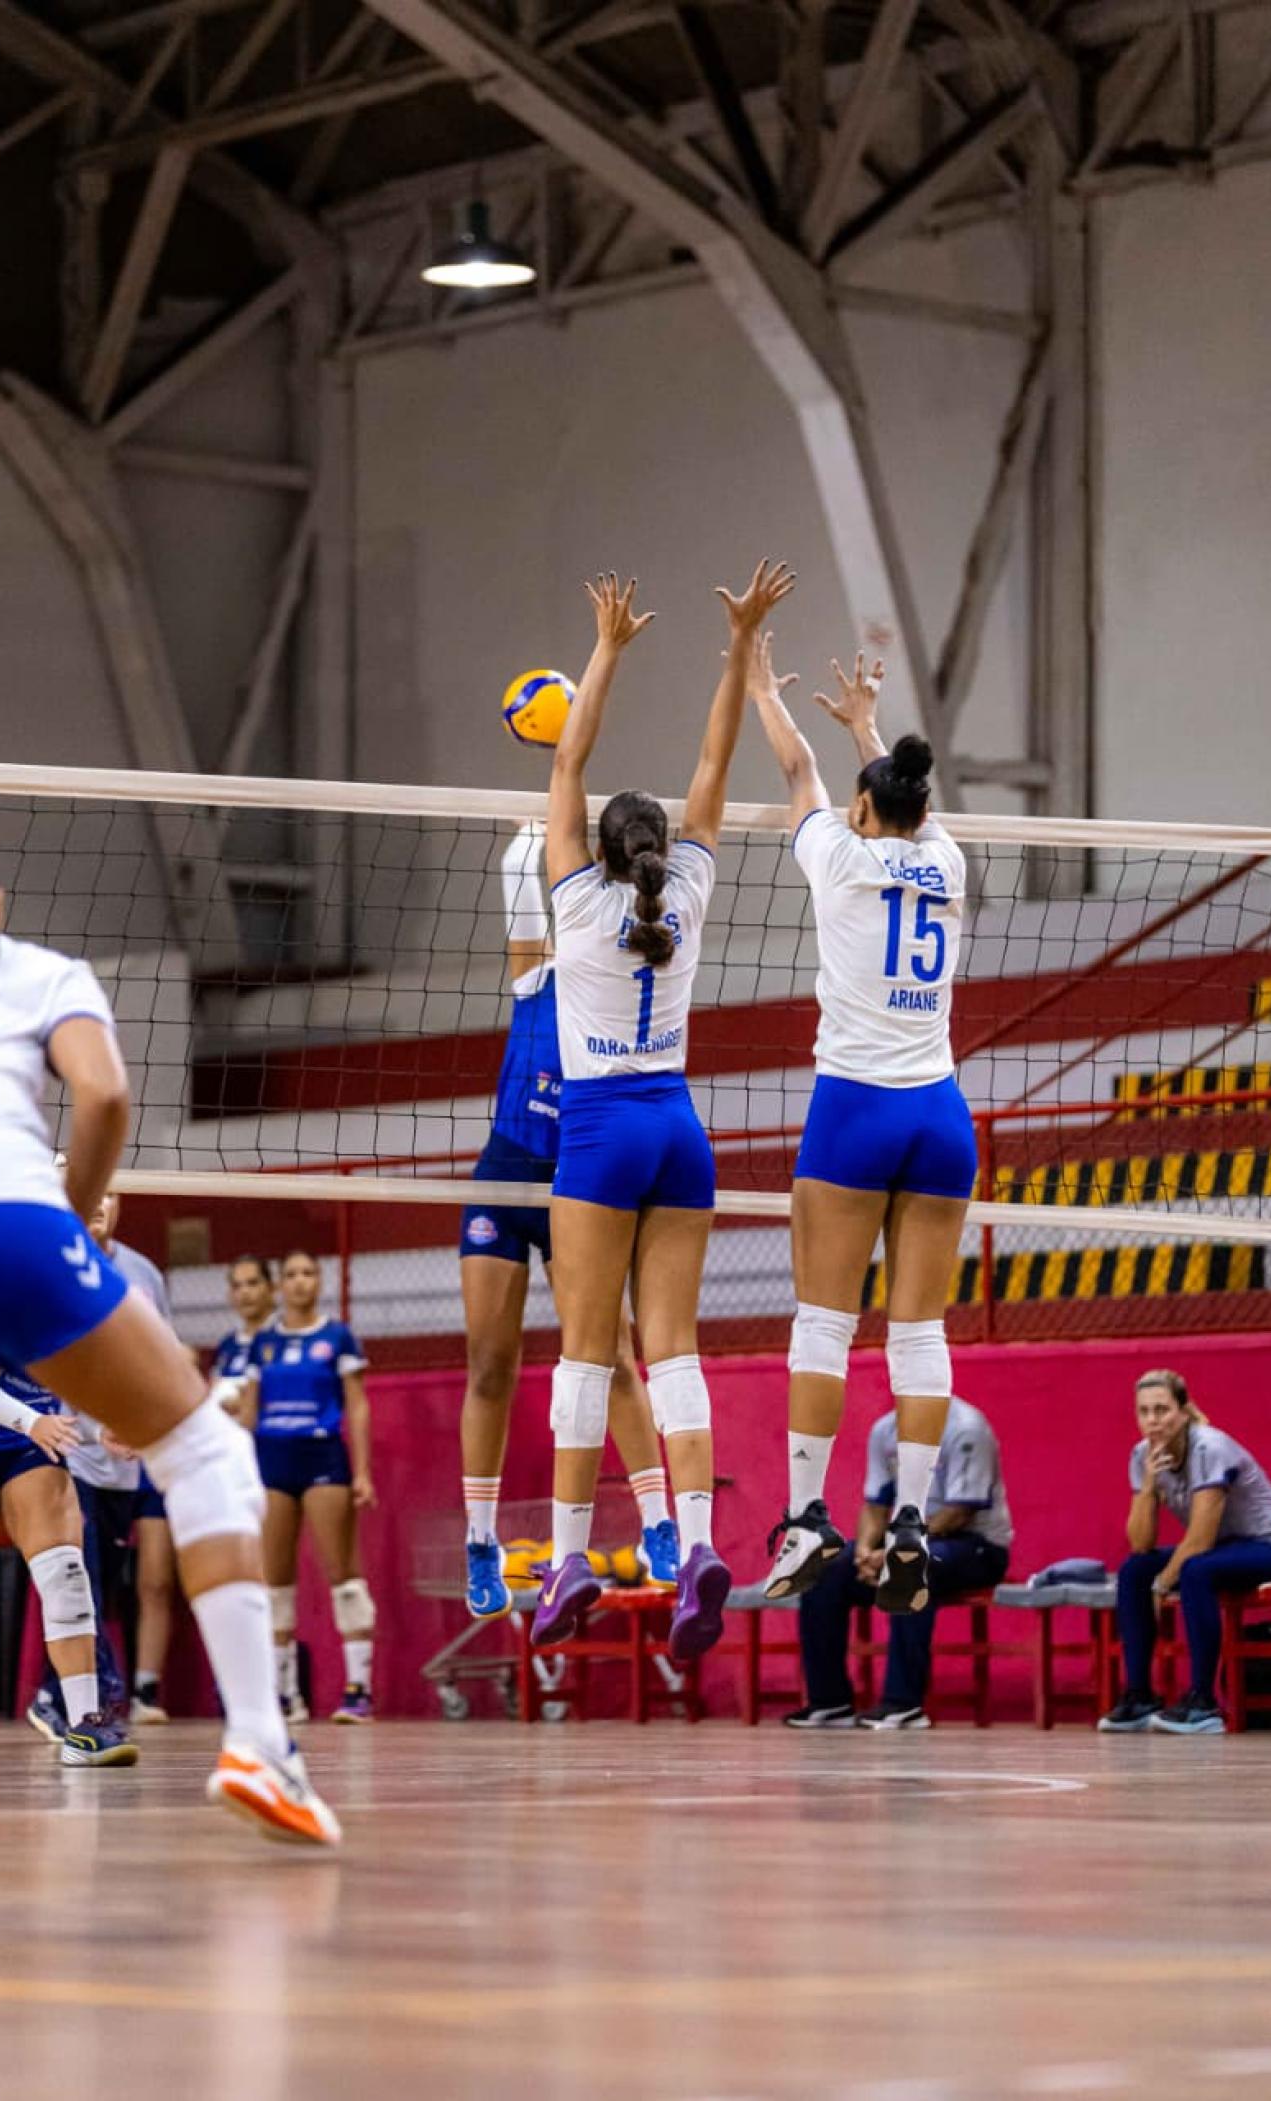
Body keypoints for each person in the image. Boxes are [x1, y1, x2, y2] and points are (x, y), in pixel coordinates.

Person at [0, 823, 337, 1841]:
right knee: (203, 1450)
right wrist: (75, 1208)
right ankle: (257, 1744)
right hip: (7, 1222)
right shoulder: (39, 970)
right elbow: (102, 1092)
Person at [535, 560, 796, 1660]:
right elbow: (713, 758)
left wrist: (605, 646)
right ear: (658, 851)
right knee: (675, 1352)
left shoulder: (574, 900)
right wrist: (738, 645)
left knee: (586, 1357)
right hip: (679, 1131)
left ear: (598, 850)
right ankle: (693, 1545)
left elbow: (565, 754)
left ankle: (562, 1562)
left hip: (597, 1130)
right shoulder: (681, 892)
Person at [748, 637, 976, 1615]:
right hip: (938, 1113)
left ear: (861, 811)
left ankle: (806, 1517)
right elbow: (906, 809)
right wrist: (871, 733)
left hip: (852, 1109)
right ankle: (914, 1519)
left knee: (823, 1322)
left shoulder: (836, 858)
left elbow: (797, 768)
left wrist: (758, 680)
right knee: (916, 1329)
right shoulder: (949, 863)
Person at [459, 821, 679, 1620]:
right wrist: (550, 806)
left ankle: (659, 1521)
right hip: (508, 1171)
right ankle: (481, 1537)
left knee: (612, 1352)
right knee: (490, 1361)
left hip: (578, 1181)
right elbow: (523, 874)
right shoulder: (539, 973)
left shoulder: (618, 969)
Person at [0, 1326, 139, 1766]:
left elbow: (69, 1380)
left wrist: (98, 1432)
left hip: (30, 1442)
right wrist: (32, 1421)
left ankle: (85, 1722)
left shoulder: (80, 1296)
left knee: (66, 1573)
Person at [26, 1188, 183, 1734]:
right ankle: (63, 1699)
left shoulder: (143, 1275)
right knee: (77, 1578)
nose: (100, 1201)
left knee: (110, 1585)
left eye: (112, 1191)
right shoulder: (44, 1265)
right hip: (68, 1451)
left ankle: (97, 1690)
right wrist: (91, 1428)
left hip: (129, 1459)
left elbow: (163, 1357)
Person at [1099, 1369, 1271, 1735]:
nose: (1152, 1421)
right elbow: (1141, 1543)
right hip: (1225, 1549)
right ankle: (1139, 1696)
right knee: (1135, 1570)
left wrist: (1161, 1585)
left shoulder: (1209, 1448)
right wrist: (1148, 1486)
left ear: (1183, 1411)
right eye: (1144, 1412)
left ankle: (1203, 1701)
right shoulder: (1142, 1456)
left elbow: (1198, 1540)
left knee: (1195, 1570)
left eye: (1161, 1410)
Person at [786, 1395, 1012, 1730]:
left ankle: (902, 1703)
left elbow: (960, 1513)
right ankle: (830, 1701)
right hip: (901, 1540)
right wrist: (864, 1550)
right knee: (826, 1568)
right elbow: (876, 1507)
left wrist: (895, 1548)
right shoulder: (885, 1431)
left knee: (909, 1566)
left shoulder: (966, 1428)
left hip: (975, 1546)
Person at [245, 1249, 377, 1722]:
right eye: (292, 1274)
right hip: (273, 1456)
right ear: (281, 1285)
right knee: (275, 1580)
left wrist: (361, 1471)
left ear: (319, 1281)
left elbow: (357, 1406)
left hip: (323, 1454)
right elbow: (248, 1411)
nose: (300, 1282)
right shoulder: (263, 1341)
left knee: (342, 1572)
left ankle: (358, 1689)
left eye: (308, 1273)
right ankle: (283, 1695)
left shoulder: (337, 1336)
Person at [208, 1255, 277, 1427]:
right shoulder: (227, 1345)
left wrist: (246, 1402)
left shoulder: (284, 1338)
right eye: (237, 1286)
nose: (245, 1292)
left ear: (271, 1288)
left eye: (252, 1283)